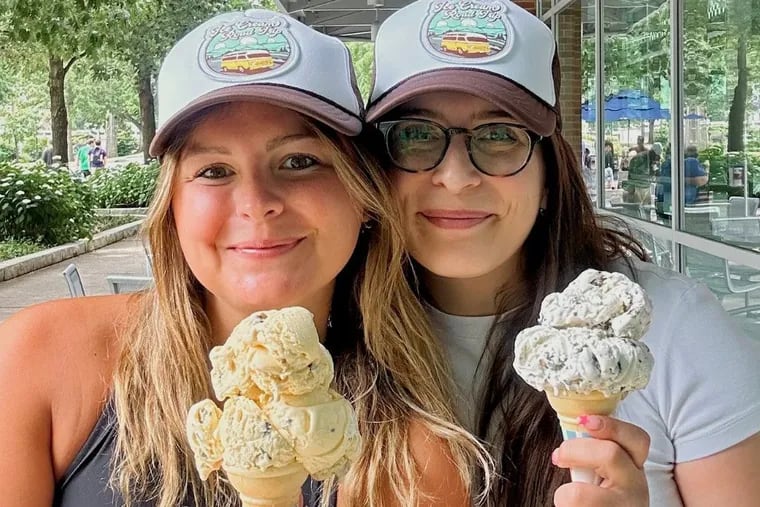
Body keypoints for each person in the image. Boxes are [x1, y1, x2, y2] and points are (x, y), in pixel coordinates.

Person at [0, 9, 490, 507]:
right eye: (214, 170)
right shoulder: (39, 358)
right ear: (173, 207)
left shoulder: (410, 464)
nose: (256, 202)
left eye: (299, 162)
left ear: (362, 196)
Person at [367, 1, 760, 506]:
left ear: (550, 177)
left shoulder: (679, 330)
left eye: (499, 135)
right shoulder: (336, 345)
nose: (457, 176)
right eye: (416, 134)